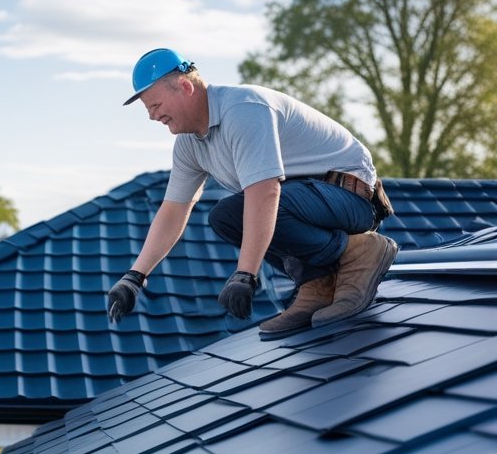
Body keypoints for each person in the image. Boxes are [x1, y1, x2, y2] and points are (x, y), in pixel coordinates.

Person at [108, 48, 397, 337]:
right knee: (225, 217)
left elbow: (265, 193)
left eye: (155, 104)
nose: (152, 116)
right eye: (148, 109)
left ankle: (357, 251)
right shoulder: (189, 144)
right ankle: (317, 283)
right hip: (307, 201)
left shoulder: (243, 109)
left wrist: (246, 274)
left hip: (351, 197)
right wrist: (135, 277)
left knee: (253, 208)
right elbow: (174, 210)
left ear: (185, 87)